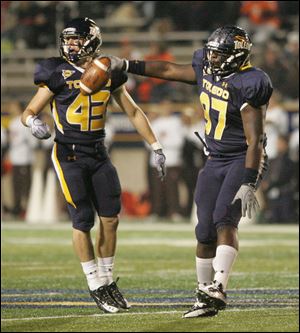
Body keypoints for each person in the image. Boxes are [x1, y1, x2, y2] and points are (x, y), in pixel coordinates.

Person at [107, 25, 273, 318]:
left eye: (219, 55)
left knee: (225, 219)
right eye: (211, 53)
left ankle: (219, 288)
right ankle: (203, 293)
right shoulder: (206, 68)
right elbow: (170, 69)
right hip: (213, 159)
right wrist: (129, 65)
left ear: (236, 56)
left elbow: (255, 140)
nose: (212, 59)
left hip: (240, 157)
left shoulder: (250, 81)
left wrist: (249, 179)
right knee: (204, 229)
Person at [20, 17, 166, 314]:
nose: (70, 45)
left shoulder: (108, 71)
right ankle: (94, 284)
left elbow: (134, 111)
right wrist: (33, 122)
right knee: (83, 220)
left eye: (76, 39)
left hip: (99, 152)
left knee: (111, 219)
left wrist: (156, 145)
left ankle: (108, 279)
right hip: (69, 153)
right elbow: (30, 110)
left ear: (92, 40)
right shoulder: (55, 70)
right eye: (68, 39)